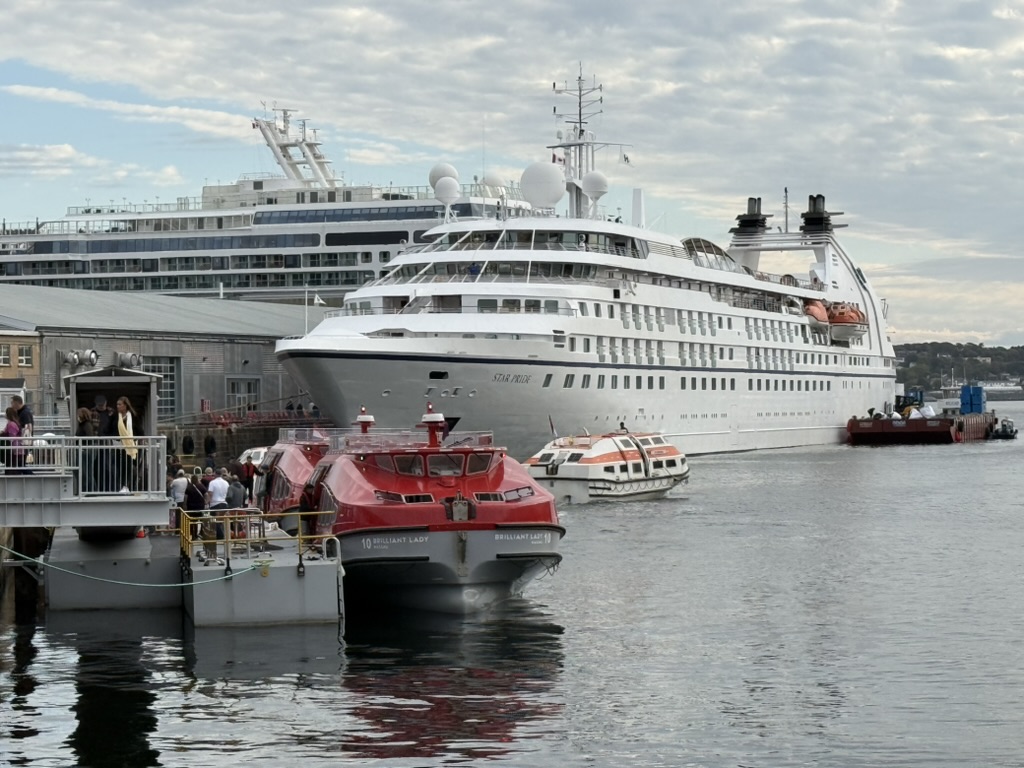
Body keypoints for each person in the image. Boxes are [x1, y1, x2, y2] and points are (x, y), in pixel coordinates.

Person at [113, 396, 138, 492]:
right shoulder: (115, 416)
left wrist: (133, 439)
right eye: (117, 404)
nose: (118, 406)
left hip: (129, 446)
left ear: (125, 406)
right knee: (119, 467)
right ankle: (120, 486)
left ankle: (126, 486)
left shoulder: (133, 416)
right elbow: (110, 429)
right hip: (118, 446)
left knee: (128, 466)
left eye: (120, 404)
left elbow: (139, 430)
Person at [75, 406, 97, 492]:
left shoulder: (87, 425)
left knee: (87, 473)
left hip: (86, 451)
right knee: (85, 473)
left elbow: (89, 437)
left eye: (78, 415)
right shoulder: (83, 425)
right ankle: (88, 490)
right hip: (84, 450)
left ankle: (91, 491)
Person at [1, 406, 21, 471]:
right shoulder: (13, 423)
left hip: (14, 450)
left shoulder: (11, 424)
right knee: (17, 467)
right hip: (14, 449)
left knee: (13, 467)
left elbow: (12, 437)